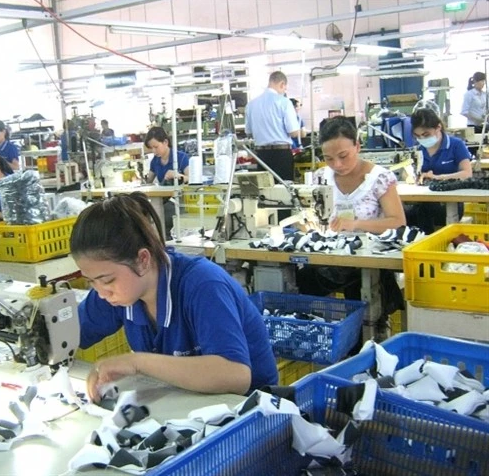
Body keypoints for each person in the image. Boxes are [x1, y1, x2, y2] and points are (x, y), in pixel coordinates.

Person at [70, 192, 278, 402]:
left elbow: (235, 376)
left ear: (142, 260)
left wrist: (137, 363)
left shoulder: (203, 285)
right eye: (91, 281)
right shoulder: (117, 292)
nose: (101, 292)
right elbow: (69, 336)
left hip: (252, 414)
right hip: (187, 404)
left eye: (106, 281)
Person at [297, 117, 406, 304]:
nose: (336, 165)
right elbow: (309, 214)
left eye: (343, 156)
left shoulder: (379, 178)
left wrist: (355, 224)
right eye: (328, 158)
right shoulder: (321, 177)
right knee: (300, 278)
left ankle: (367, 330)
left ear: (357, 146)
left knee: (359, 292)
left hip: (368, 259)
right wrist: (306, 224)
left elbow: (398, 222)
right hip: (331, 255)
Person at [406, 108, 472, 234]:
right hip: (424, 201)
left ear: (438, 127)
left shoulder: (455, 145)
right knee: (403, 213)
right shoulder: (419, 149)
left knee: (422, 212)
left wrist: (438, 177)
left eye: (426, 135)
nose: (422, 139)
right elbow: (411, 172)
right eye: (417, 136)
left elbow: (467, 173)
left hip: (449, 203)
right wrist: (413, 176)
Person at [245, 71, 301, 181]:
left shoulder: (251, 104)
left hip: (261, 155)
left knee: (265, 191)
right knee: (284, 191)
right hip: (281, 155)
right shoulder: (284, 102)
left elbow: (249, 132)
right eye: (285, 89)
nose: (284, 92)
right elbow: (293, 132)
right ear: (282, 84)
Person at [144, 127, 190, 240]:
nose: (154, 151)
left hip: (179, 201)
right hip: (162, 200)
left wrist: (179, 176)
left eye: (156, 147)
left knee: (159, 217)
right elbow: (148, 181)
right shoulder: (155, 161)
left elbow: (191, 179)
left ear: (165, 142)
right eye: (151, 148)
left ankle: (164, 241)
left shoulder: (181, 157)